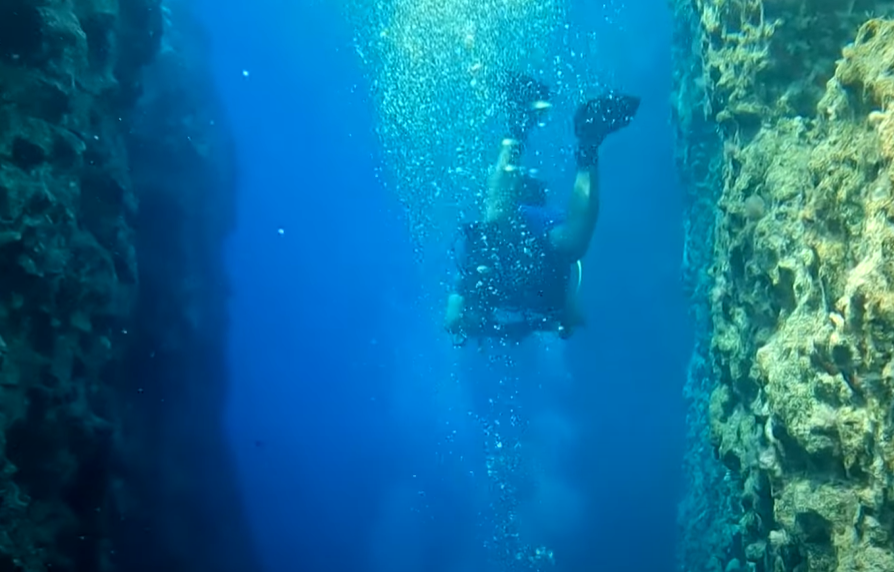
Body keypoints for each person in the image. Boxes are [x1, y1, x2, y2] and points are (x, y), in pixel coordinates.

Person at [444, 72, 640, 346]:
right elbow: (573, 316)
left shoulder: (486, 264)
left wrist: (501, 328)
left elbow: (453, 319)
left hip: (525, 243)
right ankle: (588, 141)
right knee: (569, 240)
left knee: (498, 222)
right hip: (528, 257)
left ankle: (521, 121)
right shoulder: (494, 289)